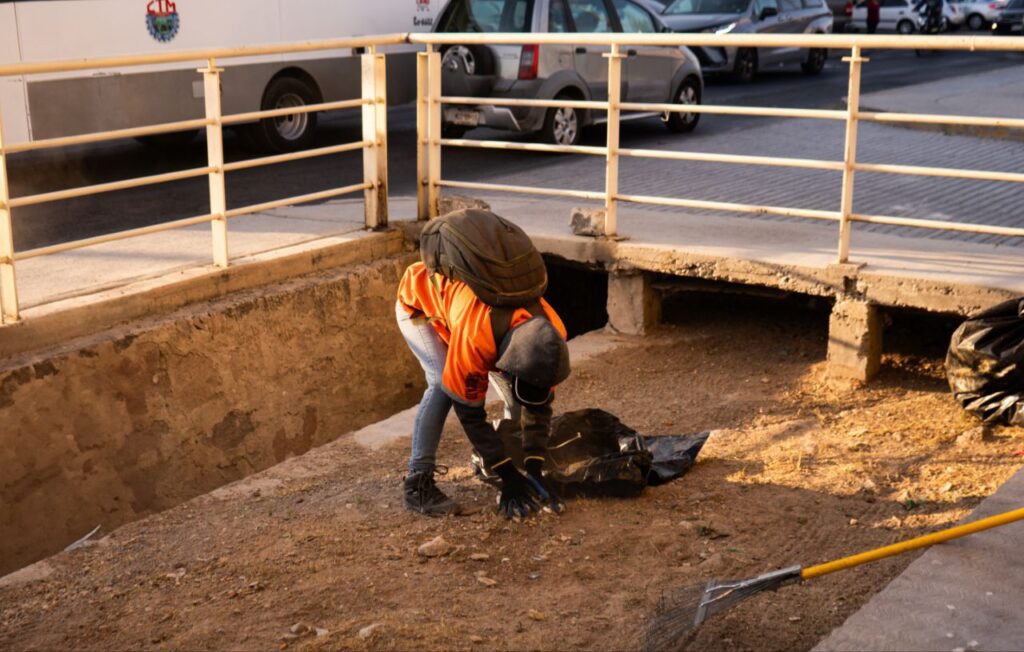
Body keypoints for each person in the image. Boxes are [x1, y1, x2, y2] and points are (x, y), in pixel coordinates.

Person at [395, 260, 570, 519]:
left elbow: (539, 406)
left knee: (516, 397)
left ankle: (514, 459)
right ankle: (417, 482)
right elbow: (470, 413)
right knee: (442, 384)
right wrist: (508, 476)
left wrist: (534, 467)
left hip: (477, 318)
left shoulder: (550, 342)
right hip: (421, 306)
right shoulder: (477, 339)